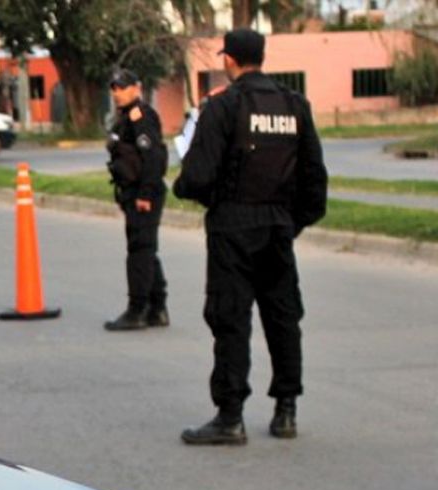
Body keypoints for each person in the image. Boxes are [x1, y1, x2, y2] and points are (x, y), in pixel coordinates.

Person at [173, 28, 327, 445]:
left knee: (230, 319)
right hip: (278, 227)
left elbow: (198, 175)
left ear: (229, 60)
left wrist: (189, 190)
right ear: (262, 56)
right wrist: (292, 222)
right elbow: (314, 178)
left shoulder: (225, 107)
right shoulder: (294, 105)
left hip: (232, 228)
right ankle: (286, 411)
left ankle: (230, 416)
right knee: (282, 318)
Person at [104, 68, 170, 331]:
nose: (117, 93)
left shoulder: (141, 116)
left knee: (139, 253)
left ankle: (137, 310)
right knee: (145, 250)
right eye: (114, 88)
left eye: (122, 87)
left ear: (136, 87)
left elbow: (153, 157)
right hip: (133, 192)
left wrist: (145, 194)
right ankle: (157, 308)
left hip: (144, 193)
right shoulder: (123, 118)